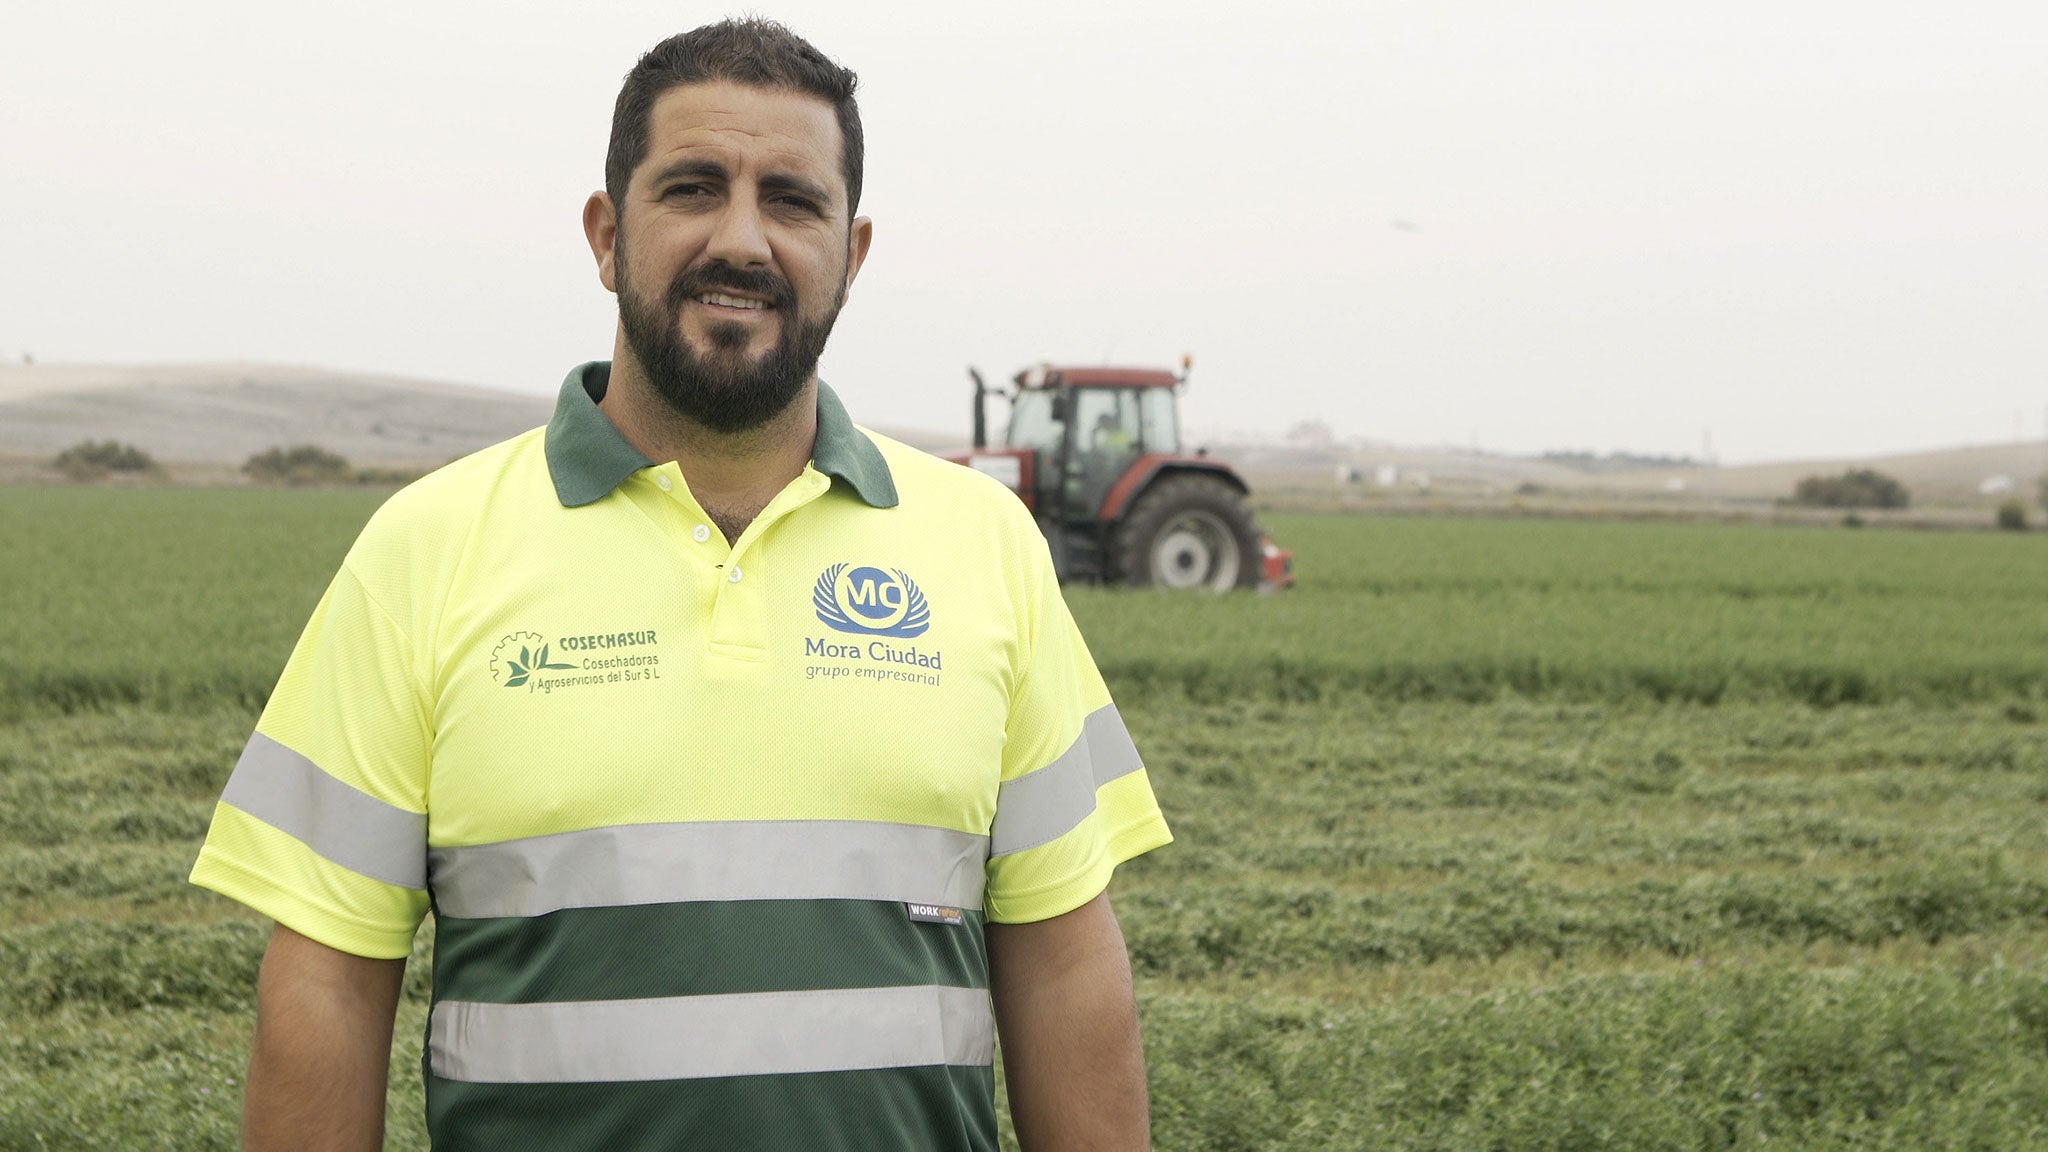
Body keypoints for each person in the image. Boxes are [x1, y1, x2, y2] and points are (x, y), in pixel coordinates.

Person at [188, 18, 1171, 1152]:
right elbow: (324, 985)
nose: (742, 240)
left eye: (792, 201)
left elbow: (1062, 965)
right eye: (693, 188)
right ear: (607, 236)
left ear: (851, 256)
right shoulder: (425, 549)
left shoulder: (984, 546)